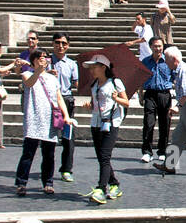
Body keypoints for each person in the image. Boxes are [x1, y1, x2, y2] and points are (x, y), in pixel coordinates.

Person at [15, 47, 71, 196]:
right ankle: (21, 182)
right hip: (34, 119)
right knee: (28, 153)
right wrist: (38, 70)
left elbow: (59, 98)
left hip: (49, 120)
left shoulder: (52, 78)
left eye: (45, 57)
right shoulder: (27, 74)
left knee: (49, 154)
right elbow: (29, 84)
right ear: (33, 60)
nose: (43, 59)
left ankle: (48, 182)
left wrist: (66, 115)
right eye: (39, 57)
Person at [81, 54, 128, 203]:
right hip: (96, 123)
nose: (92, 70)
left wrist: (116, 99)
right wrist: (90, 106)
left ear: (103, 67)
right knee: (102, 157)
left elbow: (126, 102)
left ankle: (101, 188)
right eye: (91, 68)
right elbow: (95, 104)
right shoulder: (94, 85)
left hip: (111, 123)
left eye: (94, 67)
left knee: (105, 156)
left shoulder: (115, 82)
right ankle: (114, 183)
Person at [140, 36, 174, 164]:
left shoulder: (168, 61)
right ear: (150, 47)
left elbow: (175, 77)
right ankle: (147, 152)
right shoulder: (145, 61)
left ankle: (162, 151)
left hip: (165, 94)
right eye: (155, 46)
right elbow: (141, 78)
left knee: (165, 124)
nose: (158, 48)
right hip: (150, 93)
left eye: (160, 46)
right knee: (148, 123)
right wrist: (140, 94)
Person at [50, 32, 79, 182]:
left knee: (69, 138)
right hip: (50, 101)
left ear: (68, 45)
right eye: (57, 42)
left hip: (67, 100)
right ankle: (47, 169)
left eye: (64, 43)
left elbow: (77, 83)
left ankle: (67, 169)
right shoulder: (46, 62)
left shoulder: (72, 64)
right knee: (49, 137)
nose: (60, 46)